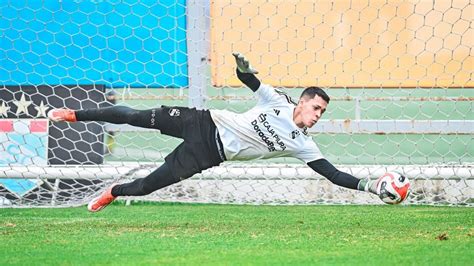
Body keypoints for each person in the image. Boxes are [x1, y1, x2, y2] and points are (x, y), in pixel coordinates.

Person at [48, 53, 381, 212]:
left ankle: (114, 191)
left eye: (322, 112)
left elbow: (333, 174)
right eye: (316, 108)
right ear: (303, 102)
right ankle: (75, 114)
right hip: (203, 122)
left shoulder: (303, 145)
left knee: (149, 186)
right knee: (135, 116)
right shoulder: (277, 100)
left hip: (208, 154)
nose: (319, 115)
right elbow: (249, 80)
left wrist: (370, 185)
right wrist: (244, 68)